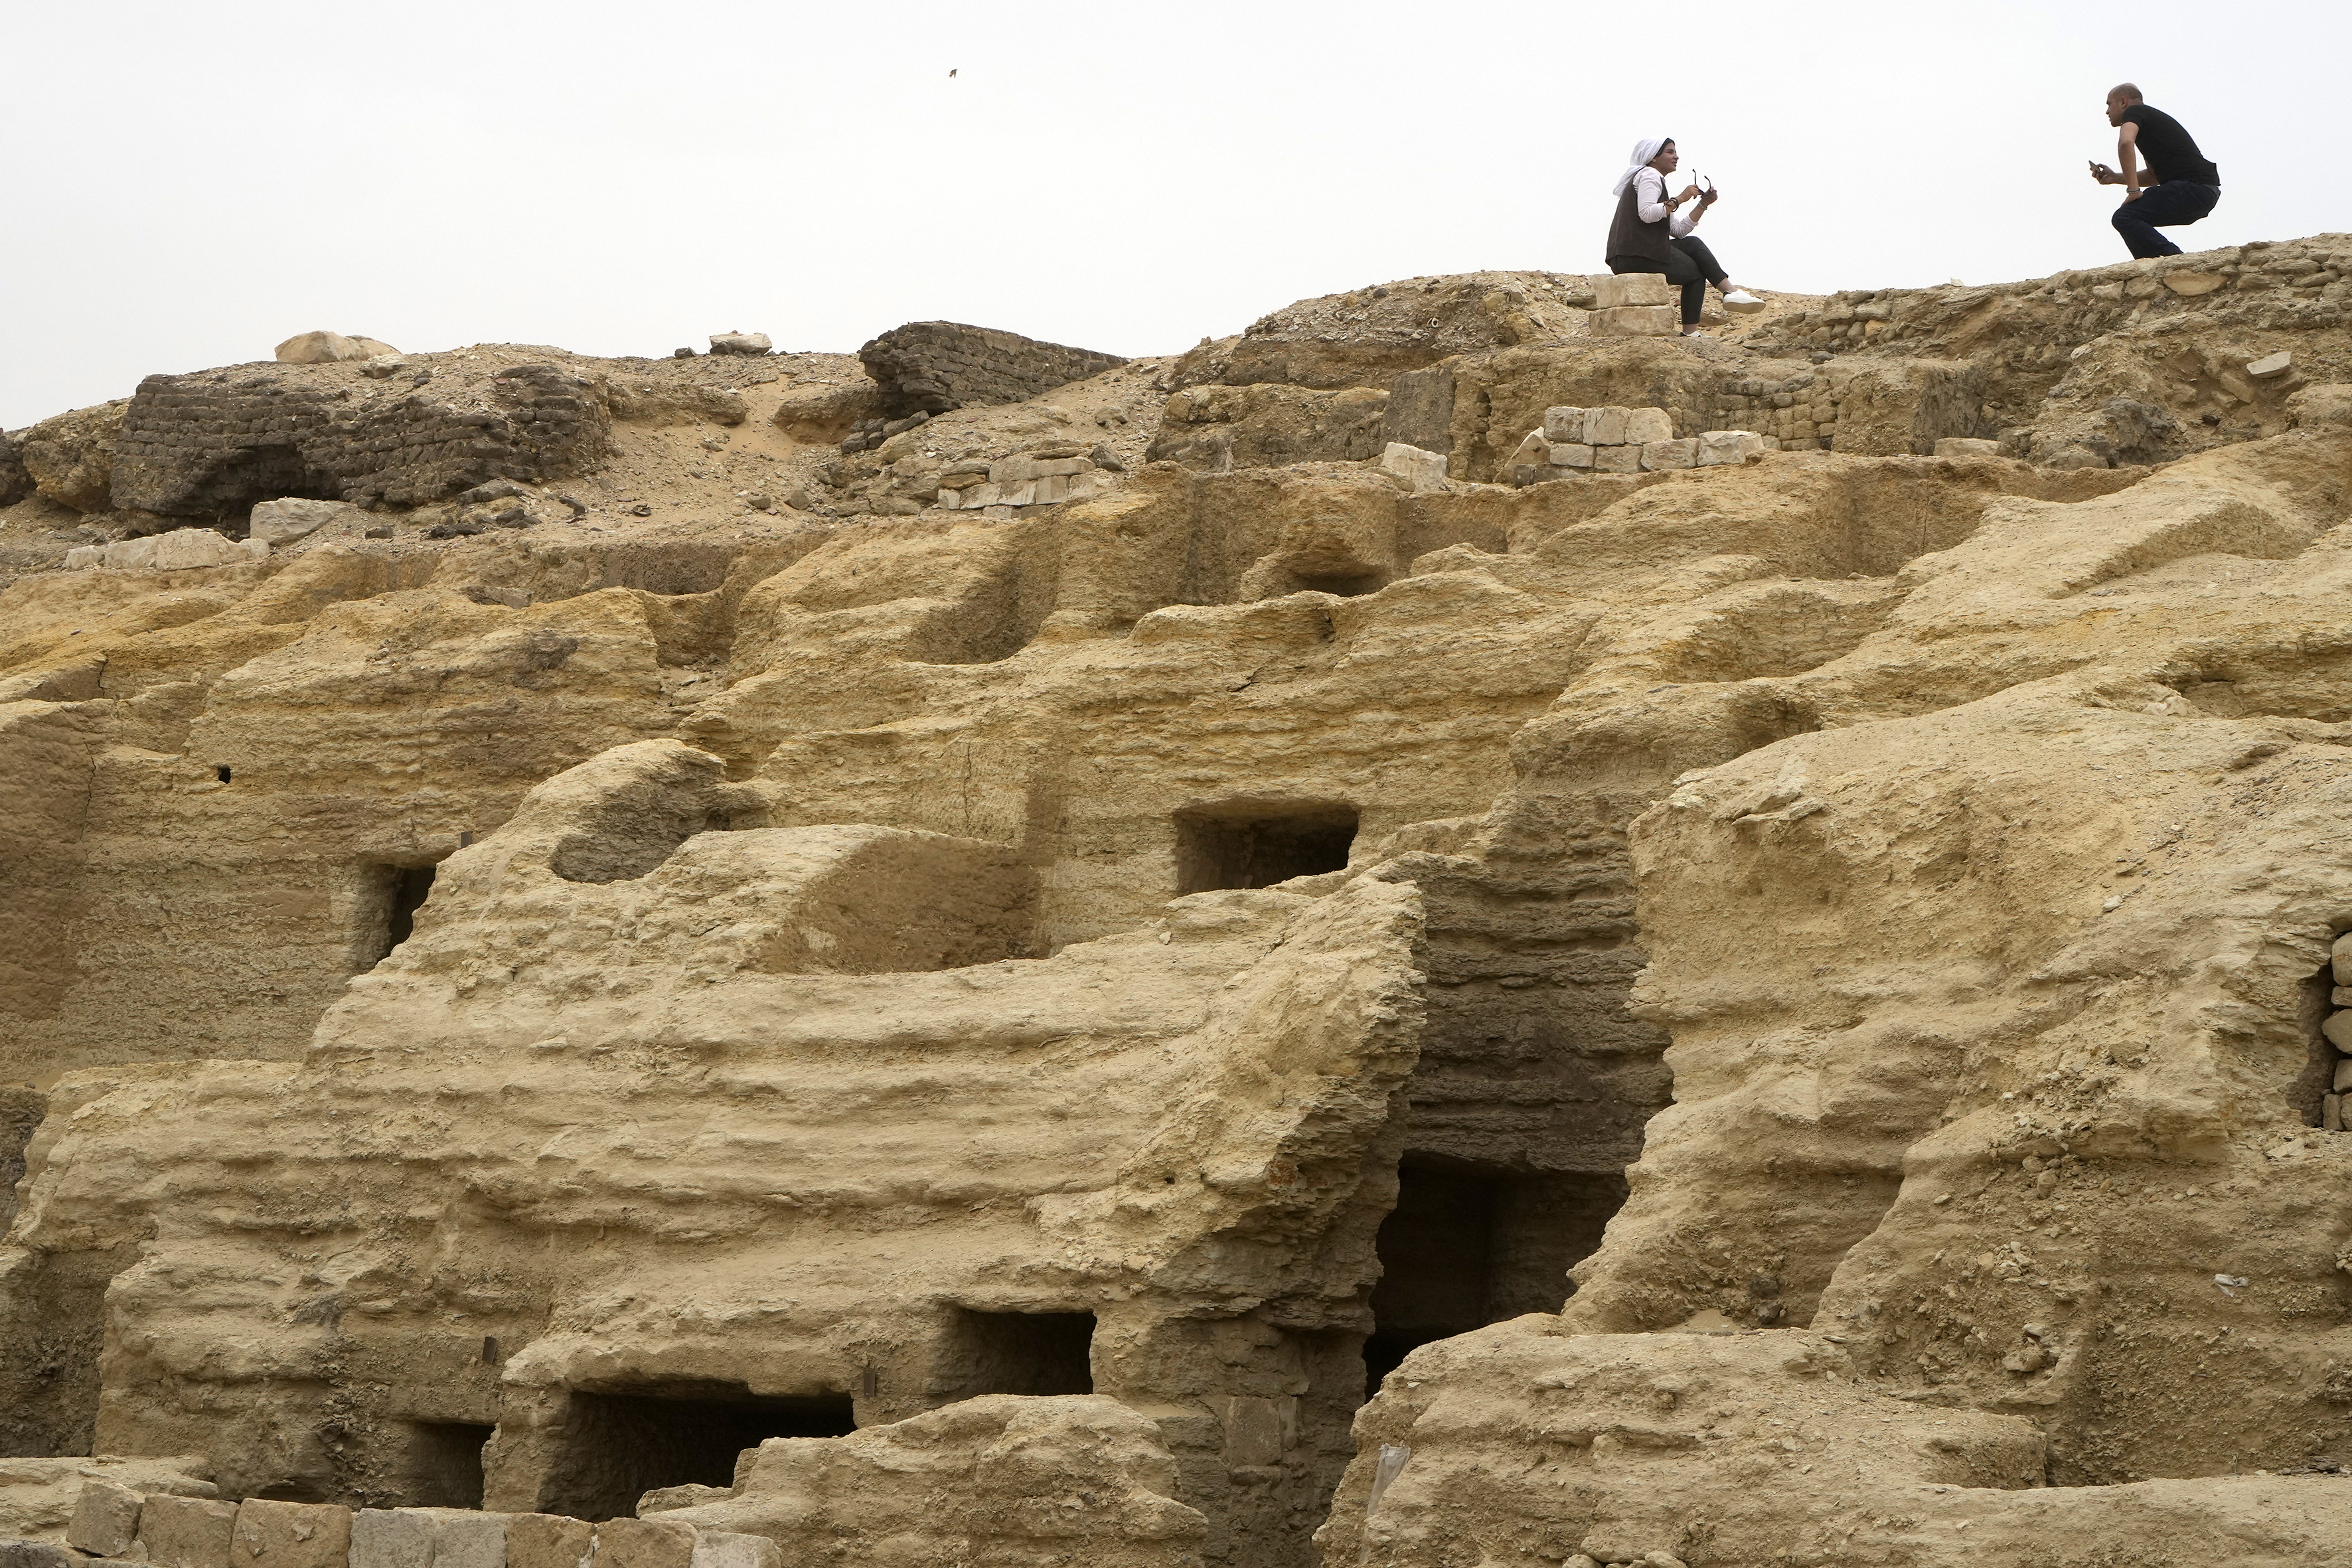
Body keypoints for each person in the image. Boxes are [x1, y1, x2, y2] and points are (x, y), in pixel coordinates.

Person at [1605, 137, 1763, 337]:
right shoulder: (1649, 175)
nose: (1676, 156)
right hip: (1636, 253)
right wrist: (1680, 199)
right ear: (1653, 158)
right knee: (1696, 273)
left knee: (1692, 244)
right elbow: (1646, 214)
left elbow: (1678, 231)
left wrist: (1703, 205)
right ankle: (1694, 329)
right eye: (1670, 152)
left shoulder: (1654, 180)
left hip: (1631, 253)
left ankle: (1730, 293)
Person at [2089, 84, 2221, 259]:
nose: (2107, 111)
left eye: (2109, 104)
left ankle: (2173, 262)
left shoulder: (2134, 113)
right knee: (2130, 218)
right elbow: (2154, 176)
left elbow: (2125, 143)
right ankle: (2152, 267)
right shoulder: (2149, 125)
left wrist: (2134, 190)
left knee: (2125, 217)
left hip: (2194, 188)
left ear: (2123, 102)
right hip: (2204, 193)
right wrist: (2115, 178)